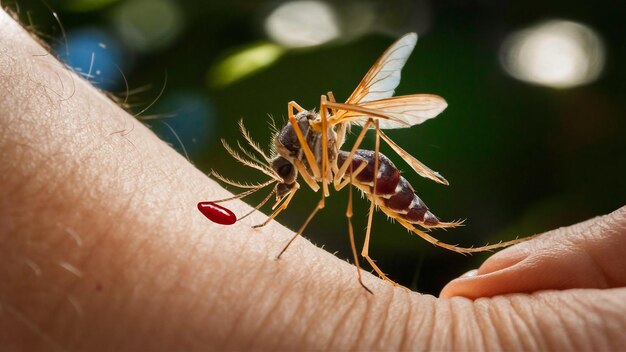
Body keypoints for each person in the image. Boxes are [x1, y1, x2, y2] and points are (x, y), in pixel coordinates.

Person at [1, 9, 624, 350]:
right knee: (351, 149)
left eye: (282, 177)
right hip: (354, 168)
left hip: (365, 169)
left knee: (360, 151)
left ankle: (380, 243)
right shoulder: (301, 157)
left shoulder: (319, 150)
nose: (284, 185)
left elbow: (334, 134)